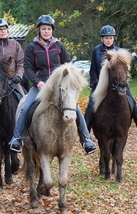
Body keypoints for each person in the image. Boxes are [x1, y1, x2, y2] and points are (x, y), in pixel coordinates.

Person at [8, 15, 97, 155]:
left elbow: (67, 64)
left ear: (52, 30)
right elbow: (28, 67)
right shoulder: (32, 47)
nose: (46, 31)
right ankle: (17, 138)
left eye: (48, 29)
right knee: (25, 108)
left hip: (59, 87)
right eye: (43, 29)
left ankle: (86, 140)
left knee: (76, 109)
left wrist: (66, 80)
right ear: (39, 30)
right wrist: (37, 82)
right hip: (40, 86)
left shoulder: (59, 46)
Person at [85, 25, 137, 137]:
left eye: (110, 38)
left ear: (113, 39)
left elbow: (125, 68)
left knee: (131, 100)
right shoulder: (96, 50)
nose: (108, 40)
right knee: (91, 104)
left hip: (118, 83)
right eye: (106, 38)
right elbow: (93, 70)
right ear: (102, 39)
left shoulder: (119, 51)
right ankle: (85, 134)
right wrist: (96, 83)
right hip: (100, 84)